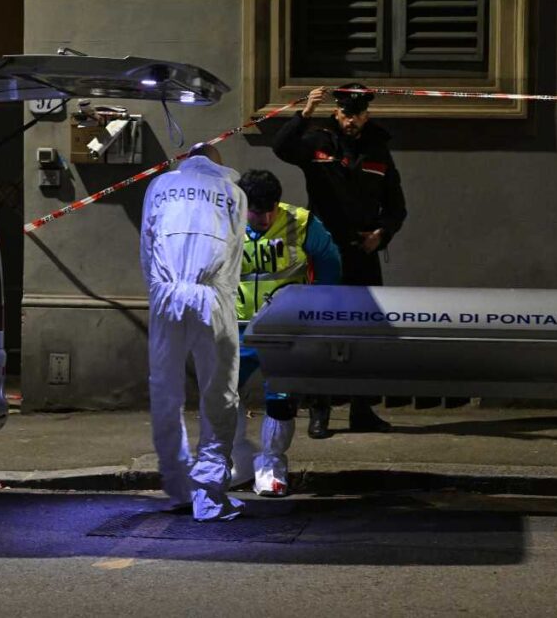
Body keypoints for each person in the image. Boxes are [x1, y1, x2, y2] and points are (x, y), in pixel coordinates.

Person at [272, 83, 407, 438]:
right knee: (321, 332)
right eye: (346, 114)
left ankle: (362, 410)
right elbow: (282, 148)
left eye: (358, 114)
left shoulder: (378, 150)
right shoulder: (318, 143)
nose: (351, 120)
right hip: (326, 250)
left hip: (362, 252)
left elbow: (396, 207)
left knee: (364, 332)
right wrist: (304, 112)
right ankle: (320, 412)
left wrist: (382, 235)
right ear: (336, 112)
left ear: (367, 114)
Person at [140, 143, 248, 521]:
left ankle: (177, 486)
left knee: (165, 390)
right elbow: (234, 254)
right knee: (219, 393)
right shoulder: (233, 192)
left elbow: (147, 244)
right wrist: (223, 301)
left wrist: (158, 292)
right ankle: (210, 494)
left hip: (166, 294)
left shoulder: (159, 186)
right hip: (211, 297)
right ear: (219, 165)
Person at [230, 169, 342, 496]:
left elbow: (329, 264)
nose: (264, 217)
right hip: (233, 325)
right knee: (221, 397)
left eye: (270, 208)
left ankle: (271, 465)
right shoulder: (222, 222)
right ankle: (233, 458)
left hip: (283, 329)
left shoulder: (301, 222)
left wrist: (316, 307)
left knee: (279, 401)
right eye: (256, 210)